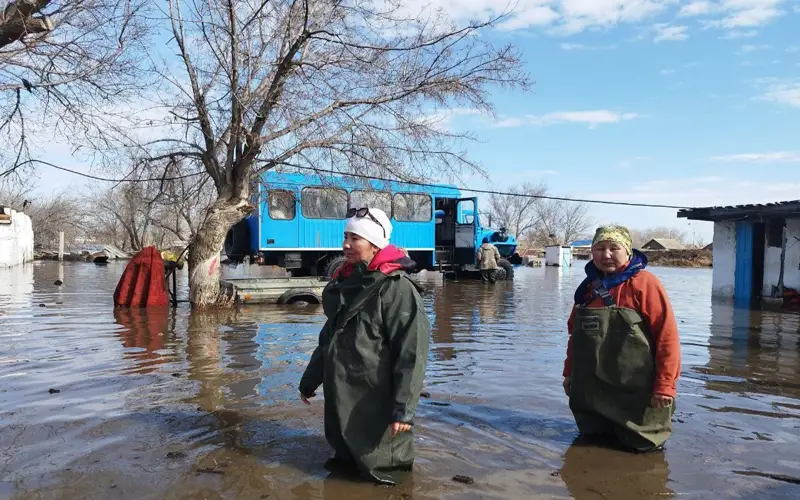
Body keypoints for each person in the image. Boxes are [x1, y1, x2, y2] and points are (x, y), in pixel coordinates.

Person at [298, 207, 430, 485]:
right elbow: (328, 339)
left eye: (354, 238)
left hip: (374, 394)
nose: (346, 244)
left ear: (374, 244)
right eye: (345, 236)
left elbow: (412, 353)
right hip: (342, 390)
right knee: (343, 464)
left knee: (382, 470)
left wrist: (404, 409)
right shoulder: (345, 283)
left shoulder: (397, 289)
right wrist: (309, 381)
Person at [562, 225, 681, 452]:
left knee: (643, 452)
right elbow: (574, 337)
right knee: (590, 448)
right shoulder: (587, 289)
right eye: (599, 248)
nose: (606, 255)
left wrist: (665, 386)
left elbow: (667, 338)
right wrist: (569, 373)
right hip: (592, 397)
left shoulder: (644, 283)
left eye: (613, 248)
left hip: (635, 396)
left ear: (627, 250)